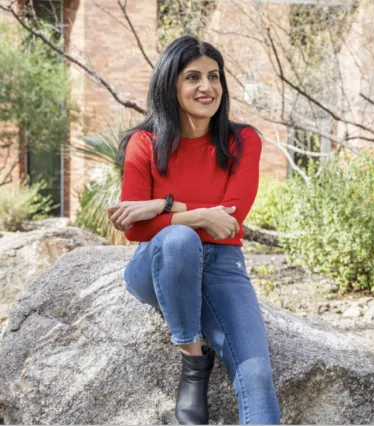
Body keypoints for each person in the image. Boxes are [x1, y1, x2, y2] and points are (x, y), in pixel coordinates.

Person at [107, 36, 281, 425]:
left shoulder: (242, 140)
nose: (207, 87)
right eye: (193, 77)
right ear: (171, 85)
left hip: (223, 266)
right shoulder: (144, 143)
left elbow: (231, 219)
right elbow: (135, 229)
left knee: (257, 376)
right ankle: (191, 356)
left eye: (214, 76)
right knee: (180, 238)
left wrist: (162, 205)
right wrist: (195, 215)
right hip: (158, 265)